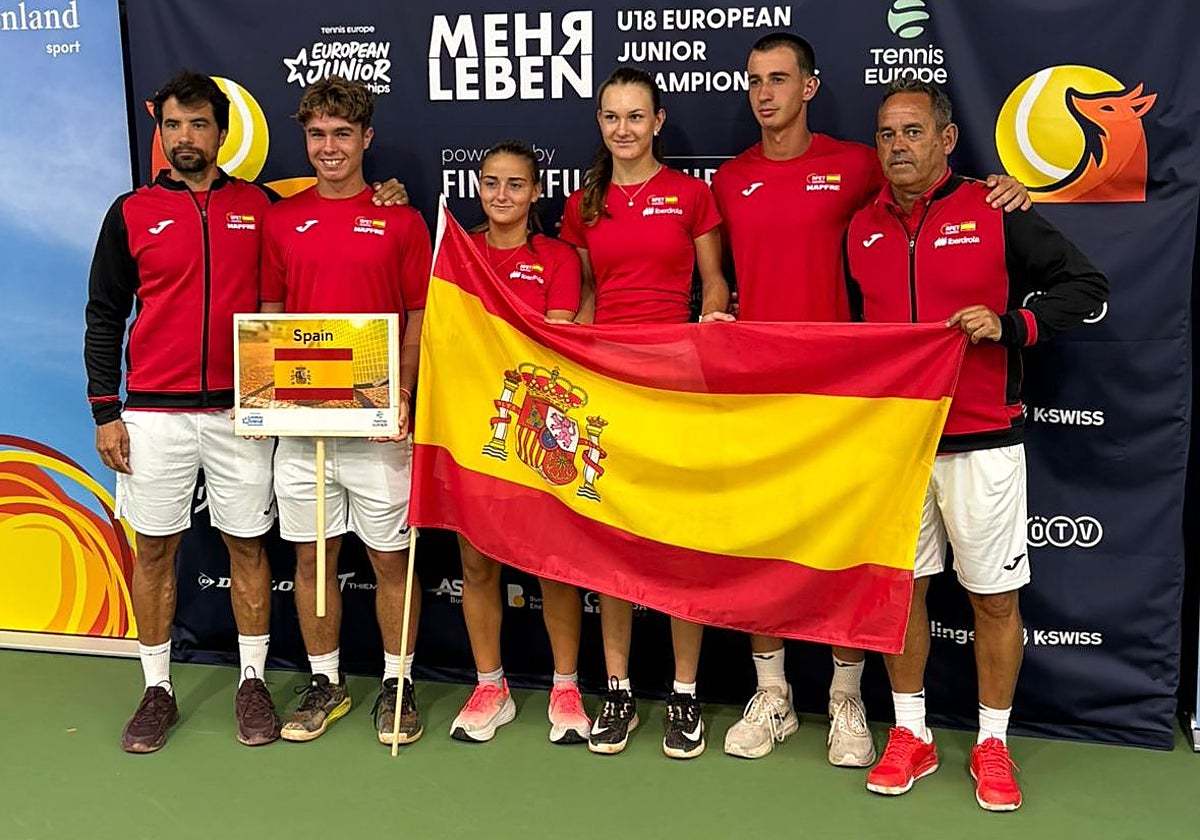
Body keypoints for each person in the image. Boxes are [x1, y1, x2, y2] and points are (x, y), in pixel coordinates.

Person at [710, 32, 1030, 766]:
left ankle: (847, 698)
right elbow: (723, 280)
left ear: (810, 87)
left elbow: (929, 203)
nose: (765, 93)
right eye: (755, 80)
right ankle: (772, 695)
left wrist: (1005, 191)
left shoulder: (858, 164)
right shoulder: (729, 181)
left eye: (780, 78)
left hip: (854, 402)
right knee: (765, 548)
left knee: (852, 558)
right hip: (762, 396)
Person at [844, 79, 1108, 811]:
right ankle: (912, 734)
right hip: (895, 446)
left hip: (983, 440)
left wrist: (1010, 323)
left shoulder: (993, 209)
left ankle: (992, 744)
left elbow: (1085, 286)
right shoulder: (859, 228)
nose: (898, 146)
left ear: (946, 139)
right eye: (887, 135)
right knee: (901, 597)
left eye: (913, 132)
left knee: (992, 600)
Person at [86, 70, 281, 753]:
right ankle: (157, 689)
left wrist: (387, 195)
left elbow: (322, 239)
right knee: (156, 549)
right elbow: (105, 314)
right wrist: (105, 411)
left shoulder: (260, 207)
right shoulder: (131, 210)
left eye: (199, 124)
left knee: (247, 545)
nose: (185, 137)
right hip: (152, 416)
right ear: (160, 132)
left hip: (240, 412)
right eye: (173, 125)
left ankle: (252, 683)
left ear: (221, 133)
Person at [559, 66, 734, 759]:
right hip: (608, 386)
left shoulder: (693, 195)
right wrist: (574, 352)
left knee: (677, 538)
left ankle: (685, 694)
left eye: (636, 116)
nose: (623, 129)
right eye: (611, 117)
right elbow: (586, 294)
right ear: (599, 124)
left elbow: (714, 280)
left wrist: (713, 318)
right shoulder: (584, 205)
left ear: (659, 122)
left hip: (679, 383)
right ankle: (620, 689)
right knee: (614, 543)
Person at [259, 76, 432, 747]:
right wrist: (269, 395)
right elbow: (270, 319)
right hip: (304, 429)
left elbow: (418, 315)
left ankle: (398, 683)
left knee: (392, 563)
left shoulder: (401, 219)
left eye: (341, 134)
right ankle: (325, 681)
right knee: (311, 562)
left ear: (366, 139)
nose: (328, 147)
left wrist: (405, 392)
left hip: (378, 422)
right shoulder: (280, 219)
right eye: (316, 134)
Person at [447, 141, 591, 745]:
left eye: (515, 184)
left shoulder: (556, 257)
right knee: (476, 562)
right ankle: (491, 686)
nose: (501, 195)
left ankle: (566, 686)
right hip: (468, 424)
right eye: (490, 183)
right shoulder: (456, 252)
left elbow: (549, 343)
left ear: (536, 193)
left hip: (539, 424)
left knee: (551, 562)